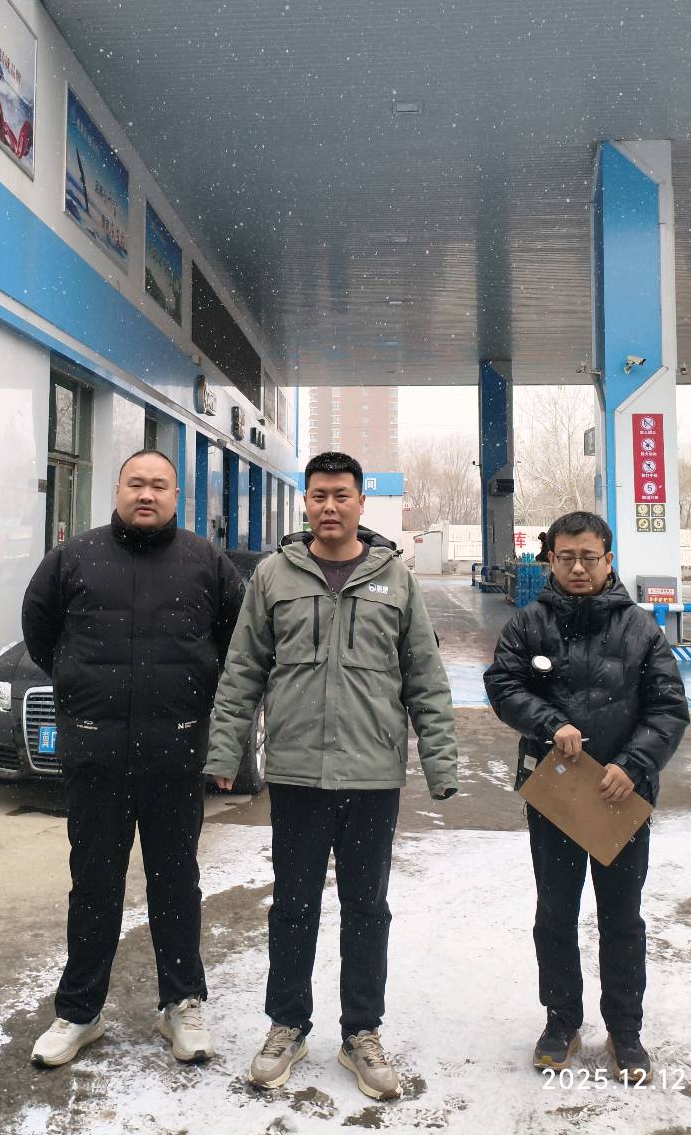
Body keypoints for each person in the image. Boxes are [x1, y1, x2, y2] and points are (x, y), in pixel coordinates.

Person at [205, 451, 459, 1101]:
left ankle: (361, 1034)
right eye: (318, 495)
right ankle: (287, 1025)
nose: (329, 506)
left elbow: (425, 677)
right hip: (297, 774)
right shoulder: (274, 576)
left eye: (341, 495)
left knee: (366, 909)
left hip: (373, 776)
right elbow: (242, 670)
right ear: (306, 502)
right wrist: (224, 753)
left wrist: (440, 763)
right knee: (292, 906)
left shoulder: (395, 579)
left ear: (360, 503)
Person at [22, 449, 245, 1069]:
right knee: (94, 884)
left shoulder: (206, 562)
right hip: (96, 755)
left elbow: (236, 641)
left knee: (176, 882)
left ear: (176, 495)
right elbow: (40, 632)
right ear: (117, 489)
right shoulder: (73, 557)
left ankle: (182, 1004)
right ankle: (79, 1012)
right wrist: (80, 685)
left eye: (159, 486)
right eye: (136, 484)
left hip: (175, 754)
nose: (147, 495)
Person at [483, 510, 689, 1086]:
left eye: (589, 558)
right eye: (566, 557)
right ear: (550, 560)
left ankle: (626, 1031)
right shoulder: (528, 624)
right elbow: (503, 684)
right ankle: (561, 1022)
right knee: (555, 912)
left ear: (608, 559)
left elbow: (668, 708)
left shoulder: (640, 629)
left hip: (621, 795)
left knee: (622, 917)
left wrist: (634, 764)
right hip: (556, 794)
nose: (578, 568)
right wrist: (550, 723)